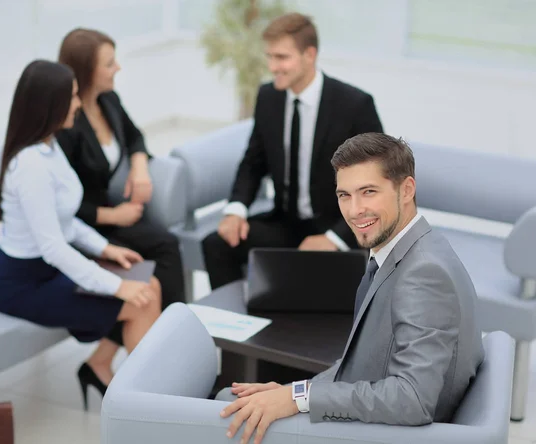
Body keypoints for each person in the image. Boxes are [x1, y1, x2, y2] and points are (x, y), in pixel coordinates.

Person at [217, 133, 484, 444]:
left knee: (224, 408)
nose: (355, 210)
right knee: (233, 399)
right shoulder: (410, 249)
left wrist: (298, 399)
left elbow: (413, 398)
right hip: (371, 419)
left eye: (368, 192)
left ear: (407, 189)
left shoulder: (424, 273)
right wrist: (293, 392)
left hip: (381, 435)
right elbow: (358, 367)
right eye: (344, 195)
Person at [0, 60, 161, 410]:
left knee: (150, 287)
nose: (79, 104)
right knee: (139, 300)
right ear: (50, 105)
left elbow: (65, 220)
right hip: (23, 284)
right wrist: (116, 285)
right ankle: (146, 410)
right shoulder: (31, 166)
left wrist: (107, 248)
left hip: (49, 269)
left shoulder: (49, 147)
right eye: (72, 97)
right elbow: (53, 247)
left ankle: (129, 388)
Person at [202, 13, 383, 290]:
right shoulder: (268, 97)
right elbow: (253, 162)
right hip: (286, 223)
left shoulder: (354, 105)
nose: (272, 66)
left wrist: (333, 239)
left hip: (340, 226)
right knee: (217, 244)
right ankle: (237, 326)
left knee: (323, 292)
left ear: (309, 55)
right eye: (269, 57)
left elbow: (378, 184)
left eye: (281, 57)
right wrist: (235, 210)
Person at [56, 28, 185, 315]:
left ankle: (177, 328)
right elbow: (60, 204)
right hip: (84, 223)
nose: (118, 68)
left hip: (111, 214)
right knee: (141, 270)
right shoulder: (66, 125)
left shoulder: (108, 101)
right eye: (110, 63)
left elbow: (135, 136)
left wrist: (139, 168)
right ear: (86, 71)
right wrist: (112, 215)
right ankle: (121, 349)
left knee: (167, 245)